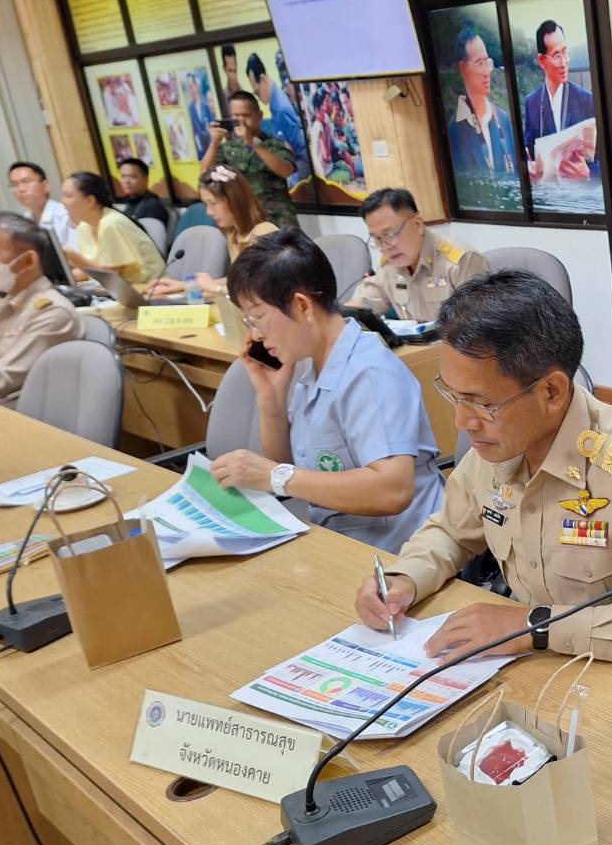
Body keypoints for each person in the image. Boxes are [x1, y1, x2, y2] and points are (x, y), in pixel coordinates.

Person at [353, 269, 612, 671]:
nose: (462, 422)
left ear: (551, 392)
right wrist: (404, 580)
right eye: (452, 395)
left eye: (480, 403)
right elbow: (451, 531)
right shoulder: (495, 447)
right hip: (545, 666)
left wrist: (536, 626)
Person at [209, 229, 445, 553]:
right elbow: (288, 466)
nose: (256, 334)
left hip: (397, 555)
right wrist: (271, 399)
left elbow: (393, 490)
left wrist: (275, 476)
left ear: (303, 306)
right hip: (342, 543)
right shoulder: (311, 364)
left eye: (257, 317)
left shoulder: (370, 373)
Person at [0, 212, 80, 406]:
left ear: (29, 260)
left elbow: (4, 378)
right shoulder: (10, 301)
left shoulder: (52, 312)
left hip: (17, 418)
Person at [348, 188, 489, 322]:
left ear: (418, 224)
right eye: (377, 239)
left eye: (390, 235)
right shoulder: (389, 266)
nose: (385, 247)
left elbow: (477, 327)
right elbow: (357, 308)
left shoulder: (461, 261)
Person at [146, 166, 277, 300]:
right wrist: (185, 286)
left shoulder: (263, 232)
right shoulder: (234, 233)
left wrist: (213, 287)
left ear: (234, 201)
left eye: (213, 203)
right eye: (206, 204)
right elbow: (240, 281)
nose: (208, 212)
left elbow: (258, 290)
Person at [202, 89, 298, 229]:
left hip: (277, 219)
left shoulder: (275, 144)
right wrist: (214, 143)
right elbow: (204, 174)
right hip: (244, 220)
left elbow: (286, 170)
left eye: (246, 116)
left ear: (259, 116)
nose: (241, 122)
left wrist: (253, 142)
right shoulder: (227, 148)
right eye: (236, 116)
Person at [521, 20, 596, 181]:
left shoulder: (586, 100)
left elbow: (605, 161)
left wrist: (589, 174)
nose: (564, 62)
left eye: (565, 52)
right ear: (541, 60)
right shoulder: (532, 103)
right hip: (548, 199)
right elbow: (529, 153)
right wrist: (529, 168)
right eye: (556, 55)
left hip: (580, 197)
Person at [61, 171, 165, 286]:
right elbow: (91, 270)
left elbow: (111, 277)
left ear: (90, 200)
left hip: (151, 290)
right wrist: (62, 279)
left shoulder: (110, 224)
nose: (63, 202)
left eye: (68, 196)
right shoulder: (84, 226)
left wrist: (71, 255)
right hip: (118, 291)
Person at [447, 28, 518, 191]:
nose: (486, 72)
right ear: (463, 68)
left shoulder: (503, 119)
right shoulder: (454, 130)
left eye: (488, 62)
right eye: (479, 63)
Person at [246, 52, 311, 190]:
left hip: (301, 169)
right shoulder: (275, 104)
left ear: (263, 79)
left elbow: (300, 151)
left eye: (257, 92)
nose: (258, 97)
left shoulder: (281, 107)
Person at [7, 161, 73, 248]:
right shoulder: (23, 221)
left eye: (26, 182)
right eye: (14, 184)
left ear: (46, 186)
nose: (21, 189)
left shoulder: (66, 215)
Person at [114, 158, 168, 225]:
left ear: (145, 179)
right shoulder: (130, 203)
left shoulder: (152, 207)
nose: (126, 181)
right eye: (123, 176)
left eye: (132, 177)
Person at [186, 72, 215, 157]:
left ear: (197, 86)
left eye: (191, 87)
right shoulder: (189, 109)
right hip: (199, 151)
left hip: (211, 148)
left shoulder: (206, 106)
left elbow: (212, 125)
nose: (190, 90)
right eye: (188, 88)